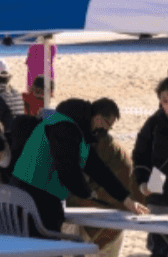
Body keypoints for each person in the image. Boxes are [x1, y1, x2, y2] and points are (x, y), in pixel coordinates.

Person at [12, 97, 143, 232]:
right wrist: (87, 193)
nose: (106, 131)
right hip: (30, 194)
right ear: (98, 119)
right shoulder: (64, 127)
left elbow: (99, 170)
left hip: (43, 195)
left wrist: (126, 199)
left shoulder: (80, 134)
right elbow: (68, 170)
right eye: (108, 125)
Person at [66, 98, 137, 257]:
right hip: (113, 219)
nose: (107, 128)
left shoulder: (100, 145)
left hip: (105, 221)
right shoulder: (104, 144)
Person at [132, 78, 168, 257]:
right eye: (165, 101)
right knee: (159, 247)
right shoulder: (154, 123)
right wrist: (143, 183)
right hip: (158, 189)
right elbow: (140, 155)